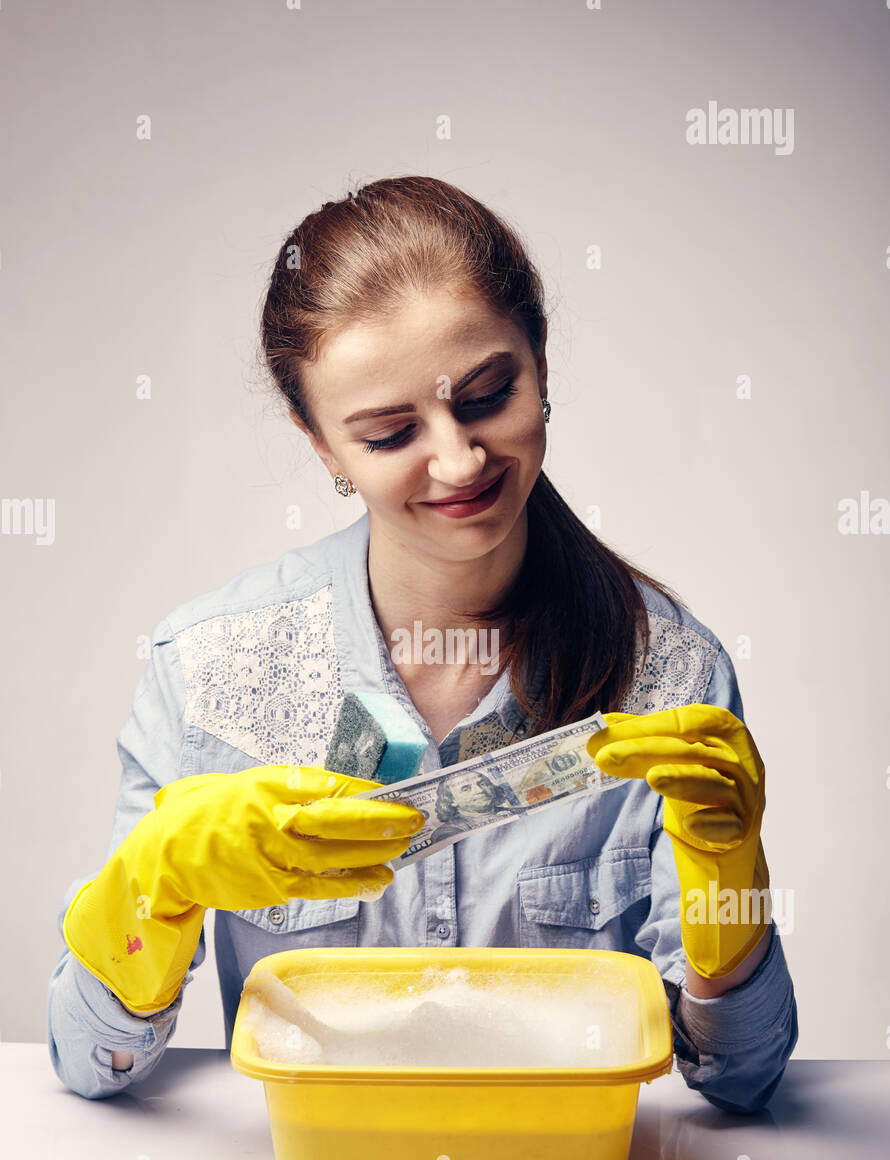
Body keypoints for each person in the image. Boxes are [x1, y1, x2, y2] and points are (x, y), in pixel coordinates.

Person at [48, 175, 797, 1109]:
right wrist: (150, 887)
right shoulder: (208, 671)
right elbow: (88, 1063)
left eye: (487, 395)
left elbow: (743, 1080)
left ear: (543, 365)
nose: (457, 461)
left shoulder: (672, 674)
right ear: (320, 444)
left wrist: (733, 910)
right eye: (391, 431)